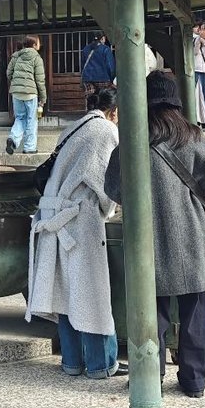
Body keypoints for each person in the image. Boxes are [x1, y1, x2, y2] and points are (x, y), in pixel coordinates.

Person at [104, 71, 205, 398]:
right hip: (190, 234)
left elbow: (112, 187)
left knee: (150, 309)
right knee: (195, 308)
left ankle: (150, 376)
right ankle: (195, 381)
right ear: (177, 102)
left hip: (147, 238)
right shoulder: (195, 138)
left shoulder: (133, 140)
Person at [27, 88, 123, 378]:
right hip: (81, 220)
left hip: (55, 216)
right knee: (92, 291)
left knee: (66, 290)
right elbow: (106, 181)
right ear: (115, 111)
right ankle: (100, 364)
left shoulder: (72, 129)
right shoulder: (106, 130)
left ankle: (71, 361)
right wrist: (109, 208)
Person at [6, 36, 47, 155]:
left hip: (16, 92)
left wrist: (16, 83)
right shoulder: (36, 58)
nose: (40, 44)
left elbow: (8, 73)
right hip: (30, 93)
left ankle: (13, 139)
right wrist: (43, 98)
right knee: (32, 119)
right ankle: (29, 147)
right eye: (38, 42)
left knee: (20, 117)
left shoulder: (16, 56)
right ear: (34, 45)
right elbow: (40, 80)